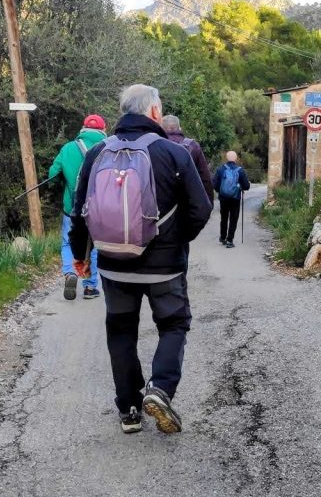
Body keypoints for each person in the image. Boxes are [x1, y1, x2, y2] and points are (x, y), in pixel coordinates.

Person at [69, 85, 211, 435]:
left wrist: (80, 256)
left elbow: (80, 211)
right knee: (174, 324)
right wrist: (175, 241)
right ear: (154, 112)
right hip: (164, 268)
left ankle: (129, 410)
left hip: (113, 264)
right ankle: (160, 389)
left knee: (120, 331)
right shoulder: (173, 153)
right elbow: (201, 207)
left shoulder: (97, 153)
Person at [49, 114, 105, 301]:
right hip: (99, 209)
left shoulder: (68, 148)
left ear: (83, 129)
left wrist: (65, 178)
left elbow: (52, 175)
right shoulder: (108, 148)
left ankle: (70, 273)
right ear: (103, 130)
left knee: (67, 242)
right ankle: (89, 287)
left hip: (72, 207)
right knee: (93, 246)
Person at [162, 115, 213, 204]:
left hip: (163, 202)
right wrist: (209, 202)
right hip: (188, 201)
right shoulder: (193, 146)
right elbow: (205, 177)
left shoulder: (156, 145)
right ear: (179, 128)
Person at [212, 151, 250, 248]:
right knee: (233, 219)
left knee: (224, 218)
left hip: (223, 198)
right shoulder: (240, 171)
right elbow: (246, 186)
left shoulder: (220, 169)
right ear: (236, 159)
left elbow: (214, 184)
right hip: (235, 198)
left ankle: (223, 237)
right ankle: (230, 240)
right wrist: (240, 187)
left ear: (226, 158)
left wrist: (220, 191)